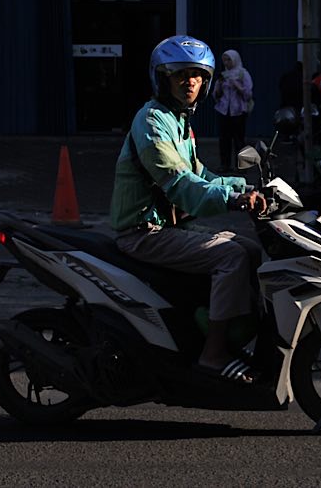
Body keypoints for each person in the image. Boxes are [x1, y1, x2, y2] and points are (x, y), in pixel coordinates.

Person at [110, 35, 266, 384]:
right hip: (144, 232)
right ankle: (212, 354)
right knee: (231, 257)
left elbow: (201, 174)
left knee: (252, 249)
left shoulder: (179, 121)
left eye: (197, 75)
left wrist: (245, 187)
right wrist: (233, 200)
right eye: (180, 74)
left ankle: (243, 337)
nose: (190, 81)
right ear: (162, 78)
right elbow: (179, 183)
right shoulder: (152, 122)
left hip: (171, 227)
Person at [213, 49, 253, 171]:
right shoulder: (223, 75)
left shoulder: (242, 74)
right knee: (224, 139)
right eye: (224, 60)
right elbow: (216, 95)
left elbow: (248, 94)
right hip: (224, 111)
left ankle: (242, 166)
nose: (226, 63)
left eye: (228, 59)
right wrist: (219, 85)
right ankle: (225, 164)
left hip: (238, 112)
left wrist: (237, 85)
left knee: (239, 140)